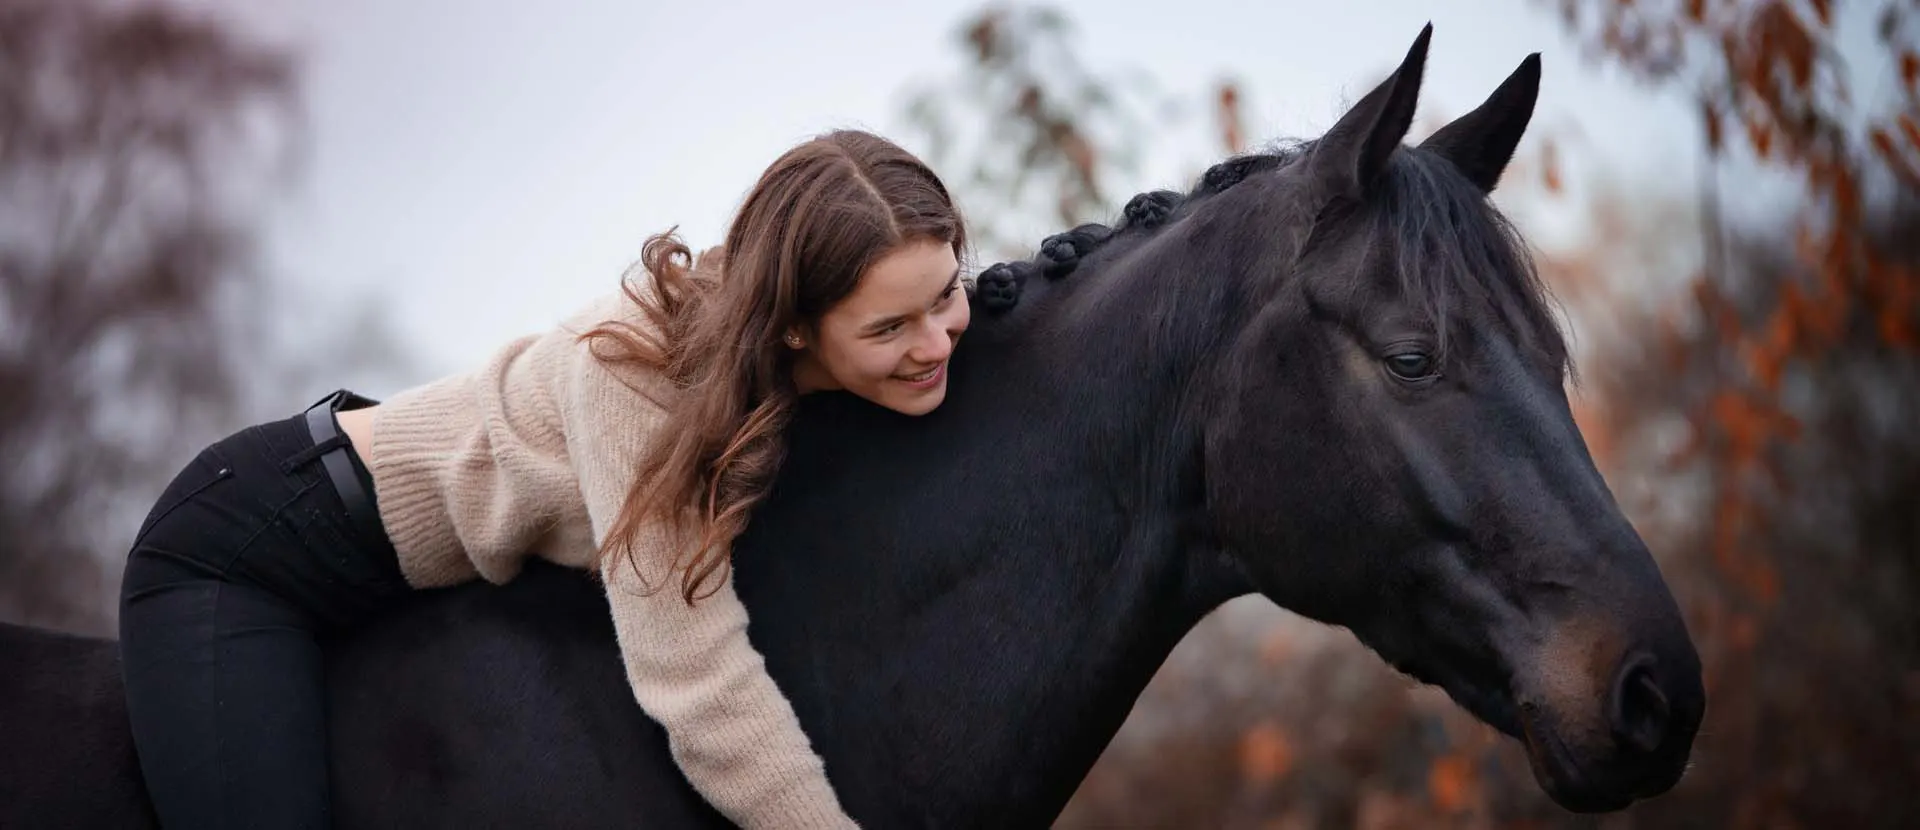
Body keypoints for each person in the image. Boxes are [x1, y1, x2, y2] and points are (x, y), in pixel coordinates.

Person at [117, 128, 976, 830]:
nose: (936, 344)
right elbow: (700, 688)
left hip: (404, 571)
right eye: (891, 327)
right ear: (792, 326)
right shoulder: (638, 378)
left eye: (946, 296)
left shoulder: (831, 339)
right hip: (250, 549)